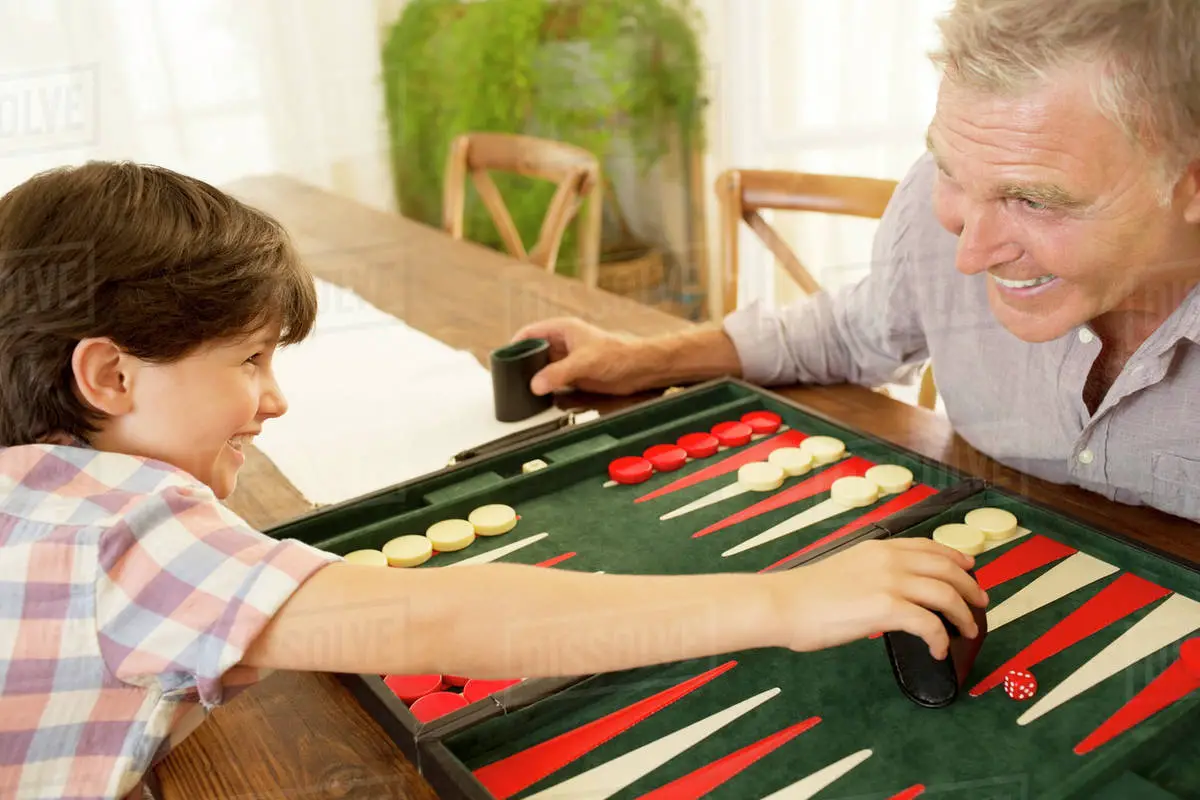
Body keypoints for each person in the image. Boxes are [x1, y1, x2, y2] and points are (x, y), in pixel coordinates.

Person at [0, 163, 985, 799]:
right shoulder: (127, 522)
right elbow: (426, 621)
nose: (275, 400)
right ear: (109, 375)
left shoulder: (31, 485)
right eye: (250, 361)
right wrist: (785, 597)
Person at [514, 0, 1200, 524]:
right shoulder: (933, 219)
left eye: (1032, 199)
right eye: (953, 171)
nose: (969, 251)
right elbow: (847, 333)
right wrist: (639, 359)